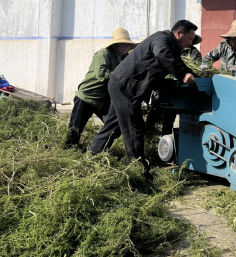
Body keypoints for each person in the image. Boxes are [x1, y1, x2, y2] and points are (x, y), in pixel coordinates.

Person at [88, 20, 197, 183]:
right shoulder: (162, 39)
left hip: (120, 85)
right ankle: (140, 173)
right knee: (134, 128)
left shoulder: (172, 48)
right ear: (179, 34)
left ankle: (91, 158)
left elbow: (178, 63)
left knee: (113, 126)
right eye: (189, 38)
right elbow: (162, 54)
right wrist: (182, 75)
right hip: (125, 87)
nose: (190, 43)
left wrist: (194, 76)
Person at [65, 28, 136, 149]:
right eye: (124, 44)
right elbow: (101, 74)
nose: (127, 47)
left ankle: (98, 150)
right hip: (87, 97)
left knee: (115, 126)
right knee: (74, 131)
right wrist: (122, 78)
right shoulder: (104, 54)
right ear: (116, 44)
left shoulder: (125, 58)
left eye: (128, 45)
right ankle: (68, 152)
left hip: (103, 100)